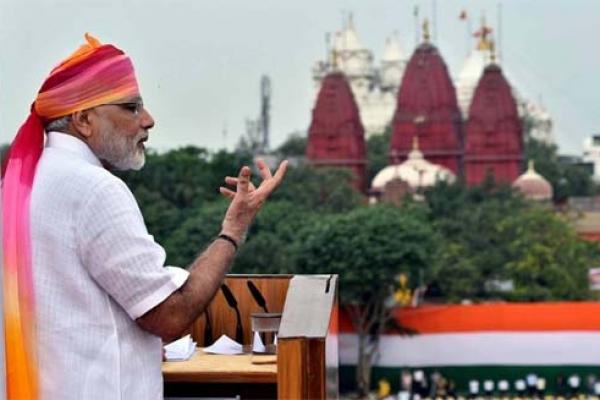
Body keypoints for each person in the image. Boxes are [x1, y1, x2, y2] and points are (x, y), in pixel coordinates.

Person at [1, 34, 287, 400]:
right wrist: (233, 229)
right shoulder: (94, 189)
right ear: (84, 119)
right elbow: (170, 316)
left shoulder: (20, 184)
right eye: (131, 107)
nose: (148, 121)